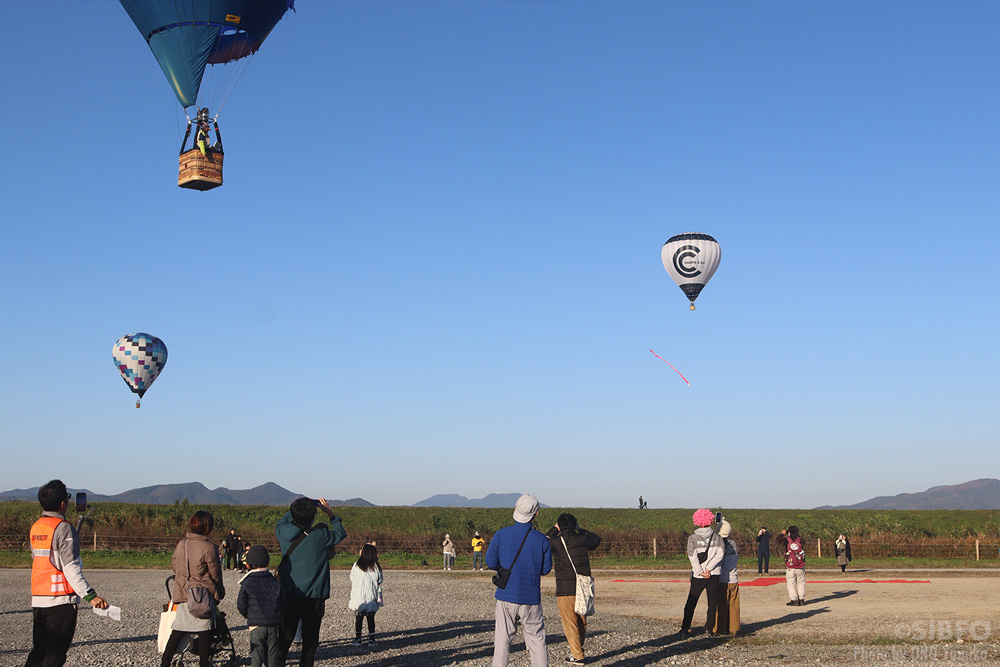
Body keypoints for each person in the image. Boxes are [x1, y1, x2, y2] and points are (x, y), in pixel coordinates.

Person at [26, 479, 109, 667]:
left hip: (39, 599)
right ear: (63, 504)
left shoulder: (37, 526)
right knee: (54, 656)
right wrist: (90, 595)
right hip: (60, 601)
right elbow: (70, 567)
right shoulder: (63, 528)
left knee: (39, 653)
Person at [274, 497, 347, 667]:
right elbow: (340, 532)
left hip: (289, 593)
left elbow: (283, 520)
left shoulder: (283, 532)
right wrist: (329, 511)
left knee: (284, 638)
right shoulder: (320, 536)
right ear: (313, 517)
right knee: (310, 642)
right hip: (314, 596)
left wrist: (300, 507)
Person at [485, 494, 552, 667]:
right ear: (536, 513)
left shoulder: (501, 534)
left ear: (515, 509)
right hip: (530, 598)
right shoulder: (542, 540)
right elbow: (545, 570)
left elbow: (490, 562)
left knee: (502, 641)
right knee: (537, 641)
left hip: (506, 594)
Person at [161, 510, 225, 667]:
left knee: (178, 629)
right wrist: (219, 592)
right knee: (204, 630)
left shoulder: (182, 544)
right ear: (207, 527)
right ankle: (204, 663)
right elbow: (215, 574)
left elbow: (174, 566)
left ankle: (165, 662)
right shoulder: (209, 547)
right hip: (201, 594)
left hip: (183, 591)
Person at [545, 513, 601, 664]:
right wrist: (580, 529)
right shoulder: (582, 539)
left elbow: (543, 542)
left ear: (560, 525)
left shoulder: (556, 542)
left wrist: (553, 530)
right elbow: (596, 540)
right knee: (581, 619)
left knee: (570, 622)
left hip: (565, 587)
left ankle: (577, 655)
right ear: (574, 525)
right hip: (583, 587)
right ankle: (577, 650)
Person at [679, 508, 724, 639]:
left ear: (697, 521)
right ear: (710, 521)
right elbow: (720, 555)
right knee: (712, 603)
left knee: (691, 602)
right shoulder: (717, 537)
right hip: (714, 574)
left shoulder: (692, 538)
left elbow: (692, 557)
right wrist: (709, 569)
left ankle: (685, 628)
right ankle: (709, 629)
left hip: (698, 576)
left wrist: (700, 571)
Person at [237, 545, 283, 667]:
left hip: (256, 625)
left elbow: (241, 604)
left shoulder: (247, 582)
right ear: (267, 562)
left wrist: (250, 615)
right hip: (273, 624)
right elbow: (282, 602)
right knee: (272, 656)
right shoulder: (274, 581)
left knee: (256, 657)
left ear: (248, 565)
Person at [348, 543, 383, 647]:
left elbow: (351, 578)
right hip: (370, 596)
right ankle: (371, 639)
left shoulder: (356, 565)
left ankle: (358, 639)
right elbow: (380, 579)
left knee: (358, 618)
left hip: (358, 596)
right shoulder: (375, 566)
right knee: (370, 618)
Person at [714, 520, 740, 635]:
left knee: (721, 605)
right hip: (734, 578)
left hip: (722, 579)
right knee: (734, 605)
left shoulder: (719, 545)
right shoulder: (733, 544)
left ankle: (719, 629)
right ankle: (733, 628)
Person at [777, 525, 806, 606]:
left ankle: (793, 599)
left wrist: (782, 534)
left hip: (790, 565)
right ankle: (801, 599)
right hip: (800, 564)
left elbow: (778, 541)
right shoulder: (801, 540)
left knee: (791, 582)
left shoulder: (786, 540)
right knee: (801, 582)